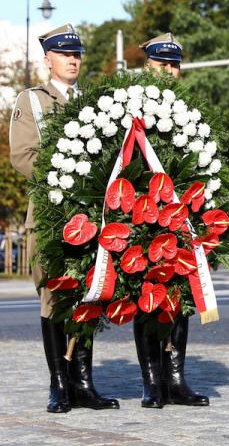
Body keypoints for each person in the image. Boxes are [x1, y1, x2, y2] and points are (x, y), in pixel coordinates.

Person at [9, 24, 119, 413]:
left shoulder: (94, 101)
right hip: (52, 214)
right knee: (55, 296)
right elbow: (21, 155)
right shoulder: (32, 101)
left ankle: (84, 383)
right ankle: (59, 384)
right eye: (64, 53)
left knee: (89, 294)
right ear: (48, 59)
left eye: (77, 54)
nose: (73, 59)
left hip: (92, 214)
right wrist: (69, 170)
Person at [133, 32, 210, 408]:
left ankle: (175, 380)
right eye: (162, 63)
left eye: (174, 65)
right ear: (147, 65)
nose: (169, 70)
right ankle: (152, 382)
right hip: (142, 217)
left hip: (181, 218)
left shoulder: (190, 110)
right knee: (146, 299)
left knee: (180, 300)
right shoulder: (128, 108)